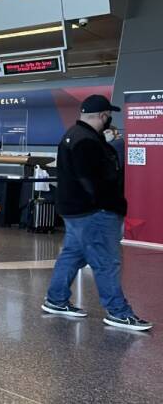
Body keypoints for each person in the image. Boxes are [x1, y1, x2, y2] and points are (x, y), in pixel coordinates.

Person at [42, 95, 151, 331]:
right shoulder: (87, 141)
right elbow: (92, 181)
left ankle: (56, 299)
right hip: (94, 212)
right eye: (108, 115)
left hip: (75, 211)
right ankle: (118, 312)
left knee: (72, 255)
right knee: (107, 261)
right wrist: (109, 205)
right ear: (103, 116)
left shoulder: (75, 135)